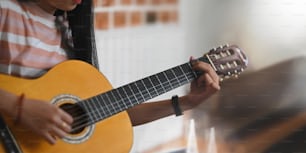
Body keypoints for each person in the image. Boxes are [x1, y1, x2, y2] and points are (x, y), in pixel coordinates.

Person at [0, 0, 220, 145]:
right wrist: (19, 108)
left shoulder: (71, 31)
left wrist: (186, 103)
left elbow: (106, 115)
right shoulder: (6, 10)